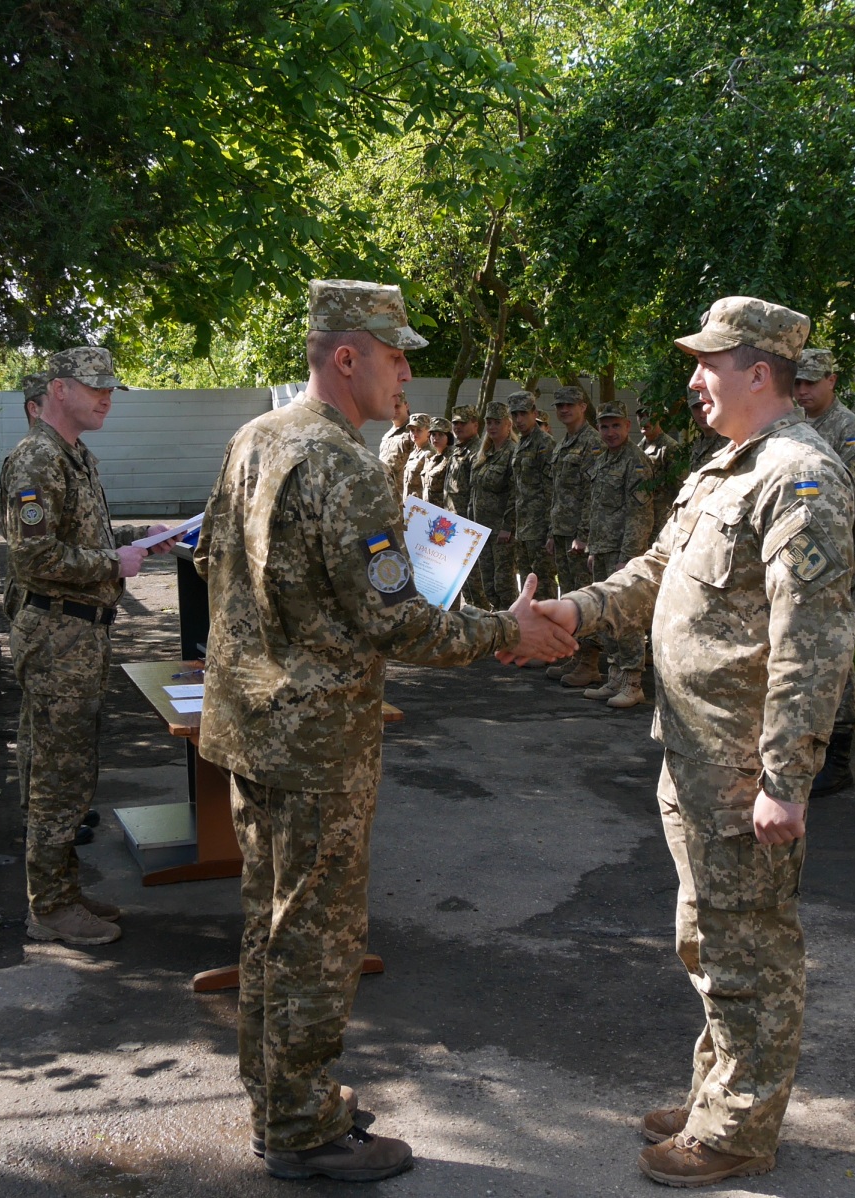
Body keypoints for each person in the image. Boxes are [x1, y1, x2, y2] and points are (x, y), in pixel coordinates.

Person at [195, 279, 576, 1183]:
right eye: (396, 357)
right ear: (346, 356)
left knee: (270, 922)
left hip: (250, 724)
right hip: (317, 742)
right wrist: (507, 630)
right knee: (319, 936)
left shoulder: (255, 438)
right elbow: (396, 622)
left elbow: (211, 558)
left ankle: (277, 1096)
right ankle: (303, 1131)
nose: (407, 375)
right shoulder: (341, 464)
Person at [531, 296, 854, 1188]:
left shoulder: (801, 478)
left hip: (742, 764)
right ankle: (717, 1092)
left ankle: (740, 1127)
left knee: (750, 949)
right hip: (694, 751)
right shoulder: (724, 470)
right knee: (706, 940)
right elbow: (656, 571)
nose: (694, 379)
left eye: (709, 363)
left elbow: (811, 643)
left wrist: (784, 779)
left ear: (760, 372)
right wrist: (571, 611)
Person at [0, 346, 172, 946]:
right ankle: (50, 907)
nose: (106, 398)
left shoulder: (73, 456)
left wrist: (139, 538)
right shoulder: (36, 459)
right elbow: (35, 557)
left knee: (67, 764)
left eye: (110, 388)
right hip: (57, 636)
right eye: (94, 387)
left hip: (77, 633)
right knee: (58, 772)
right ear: (58, 389)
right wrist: (113, 563)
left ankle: (62, 891)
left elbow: (84, 536)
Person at [795, 347, 855, 796]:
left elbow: (847, 493)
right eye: (797, 383)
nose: (803, 390)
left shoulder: (848, 430)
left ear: (832, 380)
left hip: (839, 567)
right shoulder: (795, 425)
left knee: (836, 663)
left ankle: (838, 760)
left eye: (811, 382)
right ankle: (808, 751)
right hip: (799, 564)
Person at [578, 400, 654, 708]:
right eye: (604, 426)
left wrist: (628, 557)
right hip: (603, 549)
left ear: (627, 426)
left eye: (616, 426)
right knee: (605, 616)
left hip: (623, 552)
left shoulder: (635, 461)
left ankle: (633, 683)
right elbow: (597, 507)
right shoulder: (604, 459)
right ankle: (615, 677)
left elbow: (640, 513)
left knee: (626, 616)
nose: (610, 432)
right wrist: (592, 547)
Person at [547, 385, 605, 688]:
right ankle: (575, 654)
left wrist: (583, 535)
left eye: (570, 404)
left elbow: (591, 493)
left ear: (583, 406)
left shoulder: (592, 442)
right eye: (560, 405)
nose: (564, 409)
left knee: (584, 598)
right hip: (562, 530)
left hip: (578, 536)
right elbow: (558, 493)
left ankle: (590, 663)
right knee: (569, 596)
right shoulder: (564, 443)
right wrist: (552, 532)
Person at [0, 372, 48, 623]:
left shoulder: (61, 455)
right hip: (41, 613)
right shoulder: (31, 460)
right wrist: (114, 562)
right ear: (33, 408)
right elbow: (33, 548)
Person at [468, 399, 518, 608]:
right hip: (482, 529)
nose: (492, 427)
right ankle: (497, 619)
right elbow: (474, 492)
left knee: (504, 584)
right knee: (487, 583)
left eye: (497, 422)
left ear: (508, 424)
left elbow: (515, 493)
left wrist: (508, 526)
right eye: (489, 422)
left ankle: (512, 620)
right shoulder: (484, 454)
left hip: (501, 532)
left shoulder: (513, 452)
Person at [508, 391, 557, 606]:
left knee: (543, 588)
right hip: (524, 529)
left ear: (534, 413)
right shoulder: (522, 443)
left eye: (523, 414)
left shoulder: (544, 443)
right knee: (527, 588)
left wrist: (551, 531)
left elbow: (552, 491)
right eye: (514, 415)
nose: (519, 420)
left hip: (540, 529)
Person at [639, 410, 681, 541]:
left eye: (649, 416)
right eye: (640, 416)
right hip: (642, 519)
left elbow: (679, 487)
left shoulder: (670, 447)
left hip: (662, 520)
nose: (644, 421)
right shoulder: (639, 447)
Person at [443, 405, 482, 520]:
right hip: (451, 516)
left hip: (466, 520)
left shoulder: (478, 451)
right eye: (455, 423)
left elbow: (476, 493)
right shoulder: (457, 449)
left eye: (463, 423)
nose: (458, 427)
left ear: (475, 425)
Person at [377, 394, 415, 497]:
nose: (394, 410)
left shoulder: (414, 432)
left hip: (407, 497)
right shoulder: (387, 435)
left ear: (406, 406)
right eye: (390, 406)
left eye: (397, 406)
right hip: (388, 494)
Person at [422, 417, 454, 508]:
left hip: (442, 511)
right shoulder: (430, 458)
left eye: (440, 435)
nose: (436, 438)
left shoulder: (452, 458)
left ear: (448, 437)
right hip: (428, 509)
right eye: (433, 434)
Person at [400, 412, 432, 500]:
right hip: (409, 504)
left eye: (419, 430)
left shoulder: (429, 454)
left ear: (428, 432)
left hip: (420, 505)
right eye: (412, 430)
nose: (414, 433)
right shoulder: (413, 453)